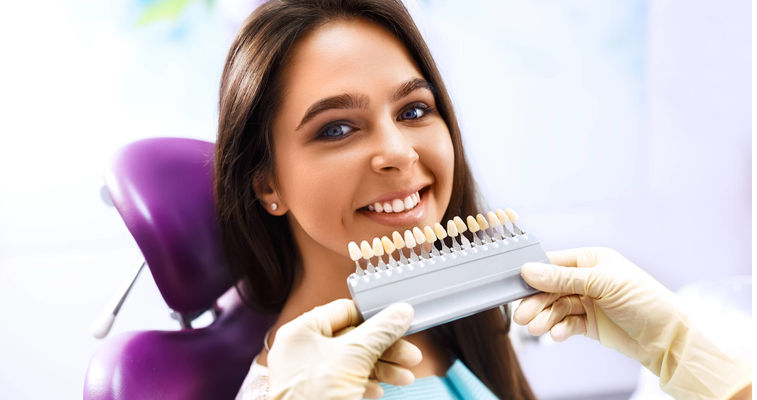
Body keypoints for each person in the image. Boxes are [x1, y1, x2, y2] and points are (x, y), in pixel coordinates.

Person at [213, 1, 752, 399]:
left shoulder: (466, 326)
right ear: (267, 185)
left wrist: (684, 355)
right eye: (336, 130)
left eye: (414, 111)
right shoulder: (290, 388)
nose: (398, 153)